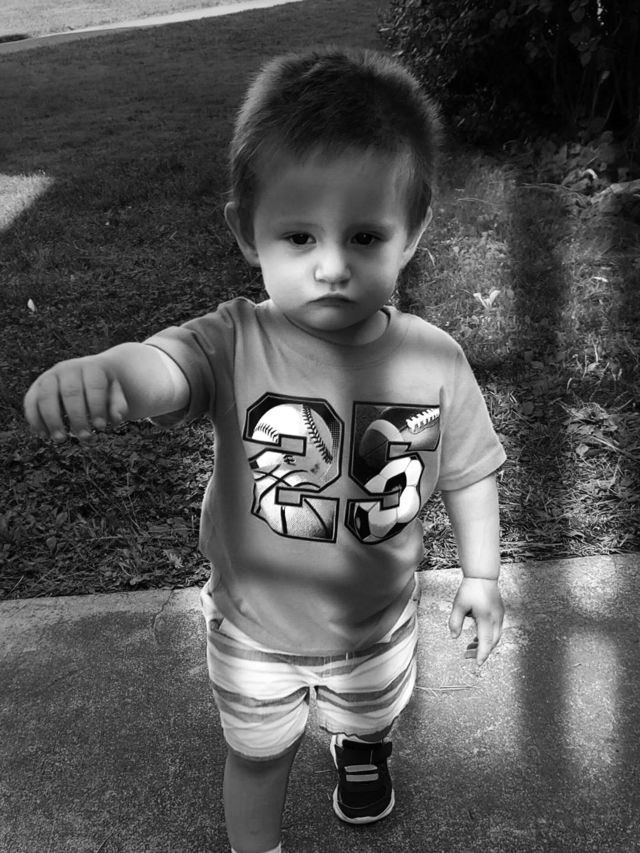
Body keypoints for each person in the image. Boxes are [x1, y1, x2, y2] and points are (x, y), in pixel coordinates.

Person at [24, 46, 506, 853]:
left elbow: (469, 470)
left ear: (413, 232)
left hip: (377, 622)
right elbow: (166, 369)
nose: (331, 266)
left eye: (364, 235)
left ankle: (363, 746)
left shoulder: (435, 360)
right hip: (255, 629)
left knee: (371, 712)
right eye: (299, 235)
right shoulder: (232, 340)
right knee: (257, 753)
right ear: (246, 233)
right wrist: (114, 374)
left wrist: (483, 575)